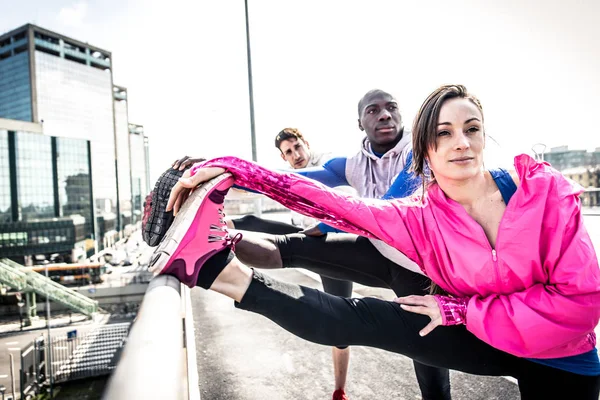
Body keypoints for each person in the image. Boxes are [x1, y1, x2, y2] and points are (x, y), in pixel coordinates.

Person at [152, 84, 600, 399]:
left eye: (472, 128)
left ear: (485, 135)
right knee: (358, 320)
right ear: (425, 149)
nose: (460, 142)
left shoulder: (545, 194)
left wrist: (462, 310)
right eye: (444, 132)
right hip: (480, 330)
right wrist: (234, 170)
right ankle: (213, 270)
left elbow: (580, 304)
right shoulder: (419, 215)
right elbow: (329, 200)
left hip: (558, 358)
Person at [148, 89, 453, 399]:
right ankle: (204, 253)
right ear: (360, 123)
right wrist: (225, 171)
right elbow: (278, 179)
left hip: (420, 269)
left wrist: (322, 223)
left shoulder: (421, 151)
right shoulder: (352, 163)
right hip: (379, 251)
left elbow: (386, 211)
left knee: (427, 361)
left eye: (391, 107)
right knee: (293, 246)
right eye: (373, 110)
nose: (385, 114)